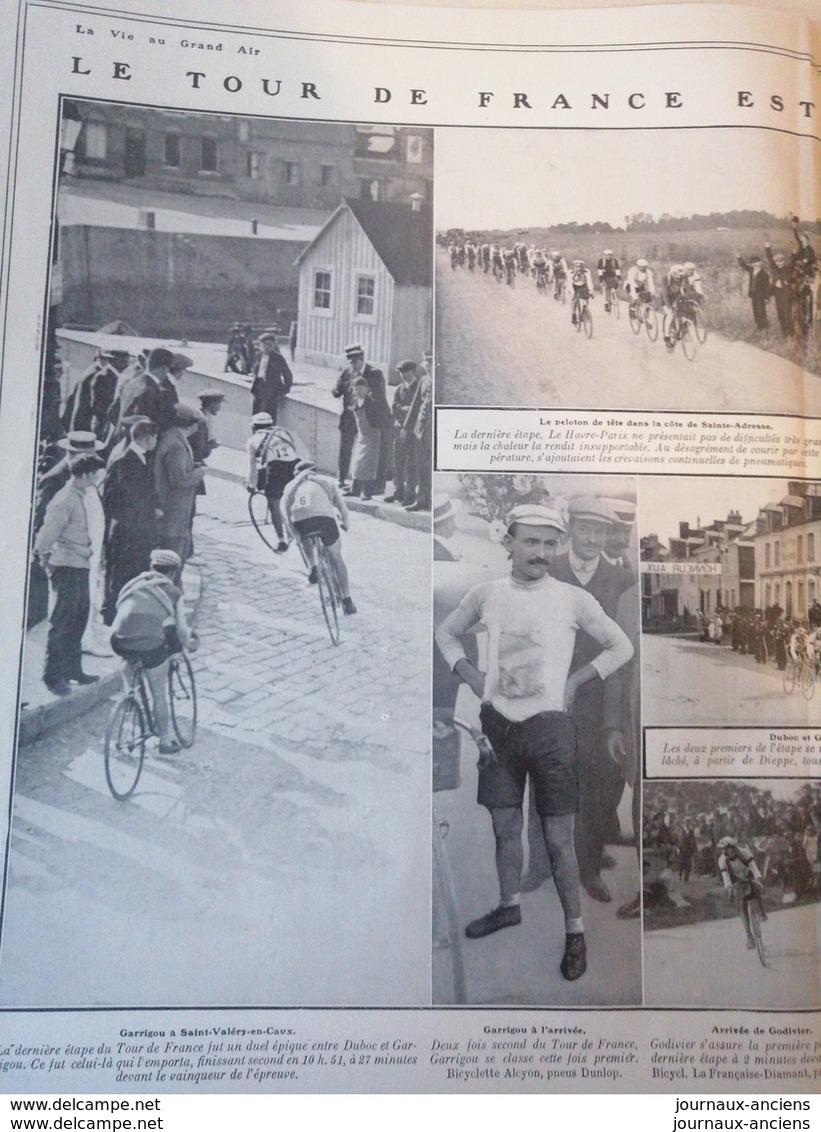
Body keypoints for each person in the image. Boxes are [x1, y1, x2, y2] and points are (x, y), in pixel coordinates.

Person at [435, 503, 633, 982]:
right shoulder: (486, 593)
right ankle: (508, 906)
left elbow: (621, 646)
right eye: (530, 542)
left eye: (549, 543)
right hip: (498, 727)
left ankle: (575, 933)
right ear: (509, 543)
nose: (540, 553)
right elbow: (446, 632)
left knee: (558, 840)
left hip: (550, 729)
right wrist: (468, 673)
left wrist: (575, 682)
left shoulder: (572, 599)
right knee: (505, 828)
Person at [546, 496, 635, 903]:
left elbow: (620, 648)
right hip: (553, 692)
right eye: (585, 528)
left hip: (599, 694)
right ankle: (553, 863)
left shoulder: (618, 580)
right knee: (557, 780)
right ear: (570, 529)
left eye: (600, 531)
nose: (592, 538)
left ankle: (591, 861)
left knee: (603, 781)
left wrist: (614, 719)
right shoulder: (551, 569)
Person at [109, 548, 197, 756]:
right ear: (174, 573)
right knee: (159, 693)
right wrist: (190, 644)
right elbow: (183, 632)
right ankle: (165, 741)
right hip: (149, 643)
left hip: (118, 640)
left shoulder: (134, 585)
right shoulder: (173, 593)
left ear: (151, 567)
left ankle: (130, 700)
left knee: (130, 664)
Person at [34, 452, 106, 696]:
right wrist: (47, 561)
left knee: (78, 619)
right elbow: (45, 537)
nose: (99, 478)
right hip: (66, 567)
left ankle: (73, 669)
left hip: (80, 566)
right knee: (62, 622)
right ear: (85, 474)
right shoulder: (65, 499)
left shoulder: (80, 496)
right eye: (96, 474)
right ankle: (52, 675)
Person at [101, 416, 159, 625]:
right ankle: (112, 616)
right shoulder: (125, 461)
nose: (155, 441)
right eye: (154, 437)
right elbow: (117, 500)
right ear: (145, 438)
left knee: (131, 572)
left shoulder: (140, 458)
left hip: (136, 530)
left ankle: (124, 613)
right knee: (120, 575)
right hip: (127, 531)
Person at [281, 459, 356, 615]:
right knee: (336, 557)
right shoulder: (326, 481)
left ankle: (313, 567)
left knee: (304, 538)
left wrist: (294, 536)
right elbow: (343, 509)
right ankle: (347, 600)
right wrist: (345, 525)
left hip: (301, 521)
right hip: (324, 520)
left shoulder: (290, 486)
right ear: (314, 471)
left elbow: (285, 514)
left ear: (296, 474)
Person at [153, 402, 208, 571]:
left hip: (171, 511)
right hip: (173, 512)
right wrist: (200, 473)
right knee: (173, 559)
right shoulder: (176, 445)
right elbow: (179, 480)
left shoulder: (172, 437)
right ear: (191, 424)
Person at [246, 412, 308, 553]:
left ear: (254, 427)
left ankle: (281, 541)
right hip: (295, 466)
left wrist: (251, 485)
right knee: (296, 499)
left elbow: (252, 469)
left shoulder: (253, 439)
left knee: (274, 504)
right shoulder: (284, 433)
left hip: (276, 469)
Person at [717, 836, 767, 950]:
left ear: (733, 848)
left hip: (749, 874)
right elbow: (726, 877)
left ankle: (761, 911)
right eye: (722, 849)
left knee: (756, 889)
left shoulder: (744, 853)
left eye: (726, 849)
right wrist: (729, 888)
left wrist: (758, 879)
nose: (724, 852)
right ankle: (749, 936)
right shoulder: (722, 860)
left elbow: (754, 868)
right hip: (736, 879)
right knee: (742, 904)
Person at [385, 360, 419, 505]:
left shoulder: (418, 388)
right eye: (401, 373)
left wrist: (405, 410)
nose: (403, 375)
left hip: (413, 430)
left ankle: (410, 493)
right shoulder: (399, 389)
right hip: (399, 429)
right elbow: (395, 407)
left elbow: (417, 409)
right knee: (397, 461)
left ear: (413, 371)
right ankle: (398, 491)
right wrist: (404, 410)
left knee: (411, 463)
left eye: (406, 372)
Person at [251, 330, 293, 424]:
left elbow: (288, 375)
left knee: (268, 416)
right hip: (258, 388)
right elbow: (255, 371)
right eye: (264, 344)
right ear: (260, 345)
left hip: (272, 390)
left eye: (269, 344)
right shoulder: (258, 356)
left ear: (273, 345)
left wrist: (284, 391)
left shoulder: (278, 358)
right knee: (255, 415)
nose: (266, 347)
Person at [735, 251, 771, 332]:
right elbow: (744, 266)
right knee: (755, 311)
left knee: (761, 311)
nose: (755, 264)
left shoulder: (764, 274)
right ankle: (759, 326)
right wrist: (739, 258)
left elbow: (767, 287)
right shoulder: (751, 270)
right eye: (753, 263)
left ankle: (765, 327)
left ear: (760, 263)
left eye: (756, 262)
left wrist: (766, 298)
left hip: (761, 296)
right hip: (753, 294)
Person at [569, 260, 594, 325]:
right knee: (574, 300)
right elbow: (569, 284)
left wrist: (590, 291)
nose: (579, 269)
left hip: (583, 286)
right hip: (574, 286)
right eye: (577, 267)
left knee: (586, 297)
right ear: (574, 267)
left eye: (580, 267)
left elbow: (589, 282)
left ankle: (585, 311)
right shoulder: (571, 273)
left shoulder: (586, 272)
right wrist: (572, 293)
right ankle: (573, 314)